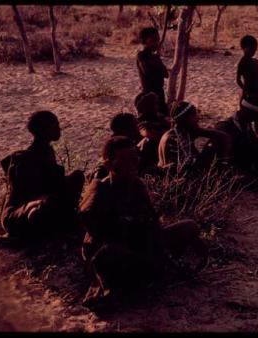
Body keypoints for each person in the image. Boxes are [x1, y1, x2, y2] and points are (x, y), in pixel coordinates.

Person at [79, 136, 206, 307]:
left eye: (134, 158)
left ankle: (156, 266)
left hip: (140, 243)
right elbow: (93, 227)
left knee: (189, 227)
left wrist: (149, 232)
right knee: (110, 255)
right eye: (124, 160)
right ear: (109, 165)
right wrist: (127, 227)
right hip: (113, 247)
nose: (133, 164)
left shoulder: (137, 185)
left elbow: (153, 222)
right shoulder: (100, 188)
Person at [0, 110, 84, 242]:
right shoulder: (26, 159)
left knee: (77, 177)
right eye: (54, 126)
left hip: (42, 202)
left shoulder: (46, 150)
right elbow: (27, 193)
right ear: (44, 130)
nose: (59, 129)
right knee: (42, 208)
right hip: (19, 213)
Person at [158, 101, 232, 174]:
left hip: (188, 171)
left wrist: (224, 162)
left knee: (215, 142)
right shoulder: (172, 139)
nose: (197, 119)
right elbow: (172, 170)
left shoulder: (187, 131)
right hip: (176, 178)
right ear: (184, 118)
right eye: (193, 116)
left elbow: (224, 136)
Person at [90, 112, 142, 180]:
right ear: (128, 130)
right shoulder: (124, 149)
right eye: (135, 127)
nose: (138, 130)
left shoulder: (112, 147)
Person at [214, 102, 258, 175]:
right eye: (255, 114)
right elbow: (220, 155)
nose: (257, 118)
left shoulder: (246, 124)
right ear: (245, 110)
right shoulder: (225, 126)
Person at [134, 92, 170, 175]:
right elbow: (148, 133)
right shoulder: (140, 122)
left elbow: (169, 122)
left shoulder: (158, 117)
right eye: (155, 103)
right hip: (148, 157)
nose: (157, 106)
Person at [236, 34, 258, 133]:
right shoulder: (242, 62)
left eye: (255, 49)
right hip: (248, 96)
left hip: (256, 95)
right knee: (247, 120)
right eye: (251, 49)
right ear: (244, 48)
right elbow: (238, 79)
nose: (253, 52)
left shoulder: (254, 62)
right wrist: (245, 91)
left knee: (257, 119)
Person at [137, 27, 169, 116]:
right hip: (149, 94)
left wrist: (157, 59)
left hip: (159, 92)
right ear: (144, 41)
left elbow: (166, 74)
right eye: (153, 41)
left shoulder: (154, 56)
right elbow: (147, 72)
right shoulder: (142, 55)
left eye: (158, 40)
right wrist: (156, 60)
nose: (156, 43)